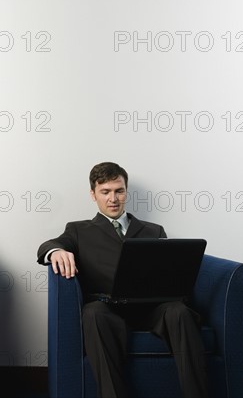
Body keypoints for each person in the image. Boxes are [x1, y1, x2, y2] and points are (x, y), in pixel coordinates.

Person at [37, 162, 208, 398]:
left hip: (152, 309)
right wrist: (56, 251)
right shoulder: (78, 230)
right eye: (105, 192)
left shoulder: (154, 230)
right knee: (92, 313)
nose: (113, 199)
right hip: (107, 311)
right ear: (93, 194)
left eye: (119, 191)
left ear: (126, 191)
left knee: (179, 311)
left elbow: (168, 272)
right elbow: (48, 245)